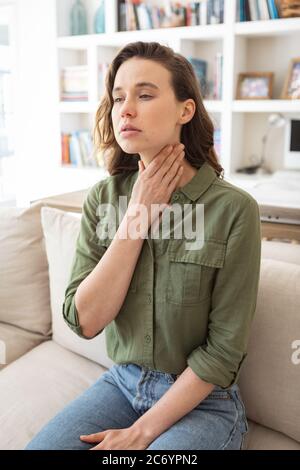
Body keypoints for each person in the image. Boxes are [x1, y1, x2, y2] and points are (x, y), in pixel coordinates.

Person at [25, 41, 261, 450]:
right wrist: (138, 214)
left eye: (145, 95)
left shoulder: (234, 210)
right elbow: (86, 320)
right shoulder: (104, 198)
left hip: (205, 403)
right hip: (122, 383)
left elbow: (223, 353)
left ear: (185, 111)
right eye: (118, 98)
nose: (125, 109)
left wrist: (143, 432)